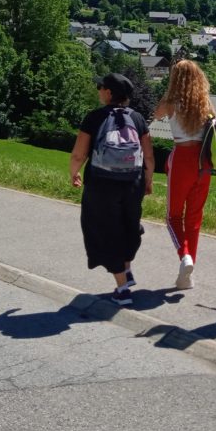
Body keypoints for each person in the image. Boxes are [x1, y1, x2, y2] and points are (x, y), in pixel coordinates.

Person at [70, 72, 154, 306]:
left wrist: (74, 172)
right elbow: (148, 154)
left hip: (101, 183)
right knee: (129, 226)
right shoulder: (137, 118)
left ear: (109, 93)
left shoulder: (94, 117)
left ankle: (122, 289)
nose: (98, 91)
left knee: (105, 230)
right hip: (132, 182)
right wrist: (148, 180)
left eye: (100, 88)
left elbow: (79, 153)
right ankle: (126, 271)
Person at [153, 60, 216, 290]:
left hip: (182, 158)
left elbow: (157, 114)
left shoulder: (170, 102)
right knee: (194, 219)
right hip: (204, 161)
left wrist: (169, 92)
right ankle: (186, 276)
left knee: (173, 216)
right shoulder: (205, 102)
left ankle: (184, 256)